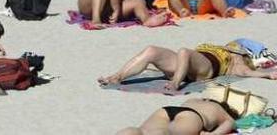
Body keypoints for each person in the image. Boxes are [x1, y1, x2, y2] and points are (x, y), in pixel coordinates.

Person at [99, 43, 277, 91]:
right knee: (151, 50)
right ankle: (117, 76)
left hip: (205, 70)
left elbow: (250, 73)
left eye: (240, 47)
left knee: (184, 51)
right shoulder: (223, 47)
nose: (235, 45)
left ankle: (176, 83)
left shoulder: (238, 61)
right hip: (188, 64)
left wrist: (269, 74)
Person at [113, 98, 236, 135]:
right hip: (192, 116)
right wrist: (214, 134)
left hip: (167, 110)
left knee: (142, 131)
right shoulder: (217, 108)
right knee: (168, 132)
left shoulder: (194, 100)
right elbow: (231, 122)